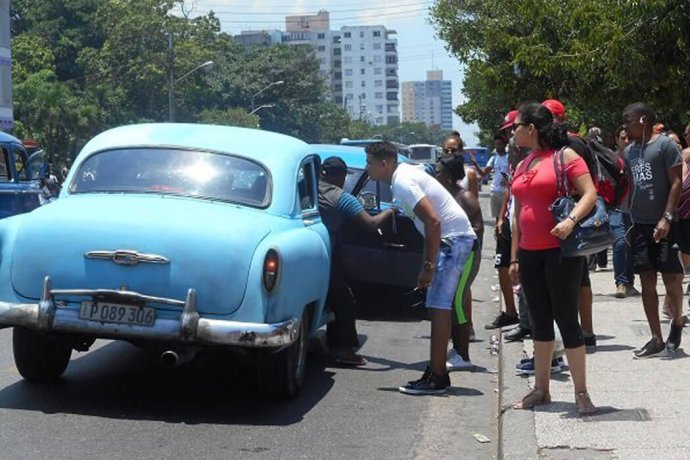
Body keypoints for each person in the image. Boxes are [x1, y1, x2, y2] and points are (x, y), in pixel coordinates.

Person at [365, 142, 477, 395]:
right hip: (453, 240)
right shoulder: (403, 176)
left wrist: (428, 266)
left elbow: (433, 222)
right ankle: (437, 373)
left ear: (384, 163)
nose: (367, 168)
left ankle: (437, 376)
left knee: (439, 306)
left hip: (453, 241)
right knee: (438, 305)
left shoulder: (403, 181)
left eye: (369, 163)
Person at [509, 102, 597, 414]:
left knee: (567, 319)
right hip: (529, 253)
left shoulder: (565, 156)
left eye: (517, 126)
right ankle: (541, 389)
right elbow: (518, 213)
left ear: (531, 128)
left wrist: (571, 220)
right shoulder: (524, 162)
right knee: (539, 321)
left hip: (560, 251)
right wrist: (515, 257)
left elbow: (590, 193)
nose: (513, 131)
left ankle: (582, 393)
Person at [318, 156, 395, 366]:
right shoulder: (341, 197)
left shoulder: (306, 188)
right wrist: (391, 210)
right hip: (325, 256)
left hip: (305, 254)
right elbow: (371, 224)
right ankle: (343, 349)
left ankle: (332, 341)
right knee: (344, 300)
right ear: (342, 177)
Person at [623, 103, 684, 357]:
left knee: (671, 279)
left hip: (666, 222)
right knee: (646, 278)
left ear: (643, 120)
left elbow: (676, 182)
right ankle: (656, 337)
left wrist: (667, 217)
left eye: (628, 122)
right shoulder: (629, 152)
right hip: (640, 224)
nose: (625, 127)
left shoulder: (665, 146)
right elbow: (632, 184)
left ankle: (677, 321)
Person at [433, 153, 484, 371]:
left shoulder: (465, 197)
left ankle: (463, 355)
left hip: (467, 256)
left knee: (457, 302)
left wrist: (455, 238)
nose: (435, 175)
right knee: (450, 302)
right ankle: (456, 350)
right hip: (451, 256)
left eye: (438, 172)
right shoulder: (442, 197)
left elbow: (478, 228)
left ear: (448, 175)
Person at [610, 126, 639, 298]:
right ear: (616, 140)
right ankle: (620, 282)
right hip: (616, 209)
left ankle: (629, 282)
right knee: (620, 243)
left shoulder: (638, 158)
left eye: (630, 138)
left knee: (631, 245)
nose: (627, 141)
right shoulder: (611, 160)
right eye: (623, 138)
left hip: (636, 210)